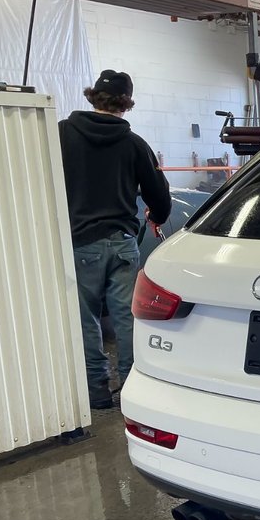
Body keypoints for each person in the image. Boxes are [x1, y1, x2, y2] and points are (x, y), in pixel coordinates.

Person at [58, 70, 171, 409]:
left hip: (78, 243)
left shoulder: (62, 133)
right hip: (122, 242)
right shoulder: (134, 144)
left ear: (94, 97)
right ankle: (132, 390)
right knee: (127, 318)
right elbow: (159, 197)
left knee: (86, 320)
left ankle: (95, 391)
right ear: (126, 103)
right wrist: (156, 217)